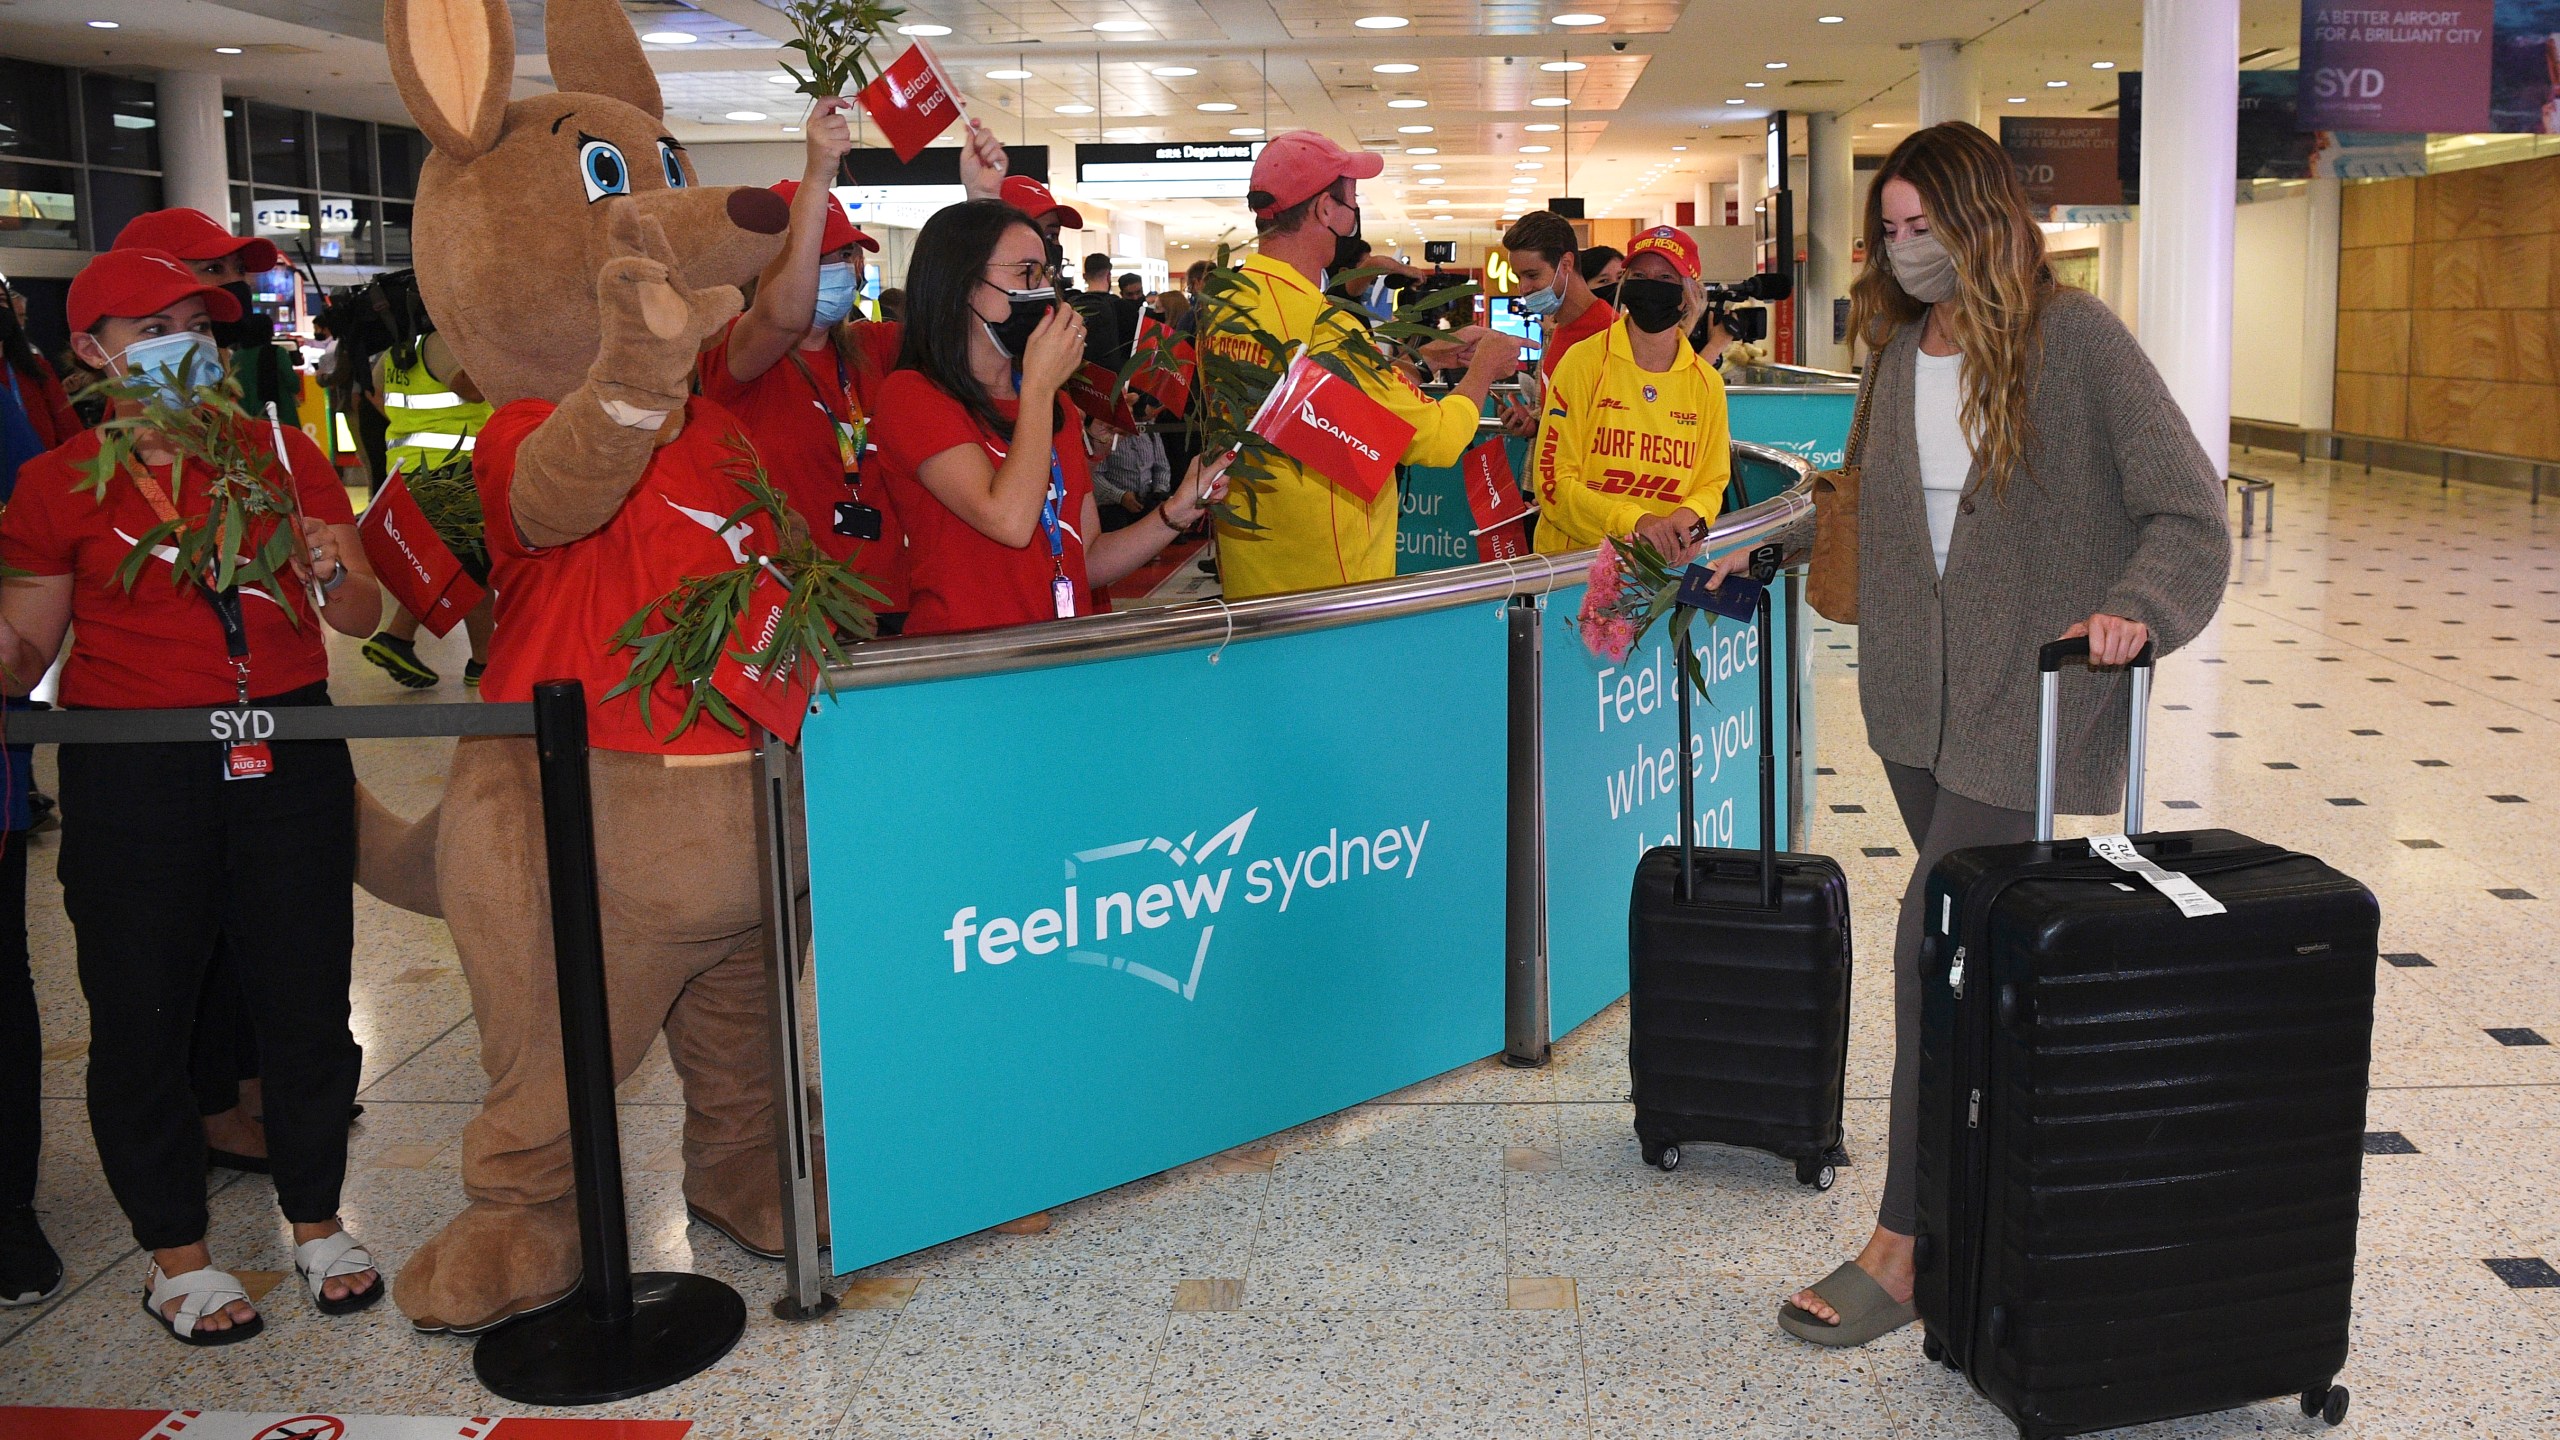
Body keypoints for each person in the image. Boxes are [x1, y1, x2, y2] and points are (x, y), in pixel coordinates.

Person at [1700, 121, 2230, 1350]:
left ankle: (1906, 1242)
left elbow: (2187, 513)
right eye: (1888, 231)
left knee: (1926, 951)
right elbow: (1860, 512)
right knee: (1979, 961)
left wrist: (2135, 614)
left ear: (1982, 217)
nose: (1905, 249)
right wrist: (1732, 546)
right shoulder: (1894, 351)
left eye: (1921, 225)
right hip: (1909, 705)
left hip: (2023, 701)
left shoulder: (2075, 338)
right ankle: (2006, 1179)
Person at [0, 247, 389, 1345]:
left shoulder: (281, 451)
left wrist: (334, 566)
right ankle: (177, 1257)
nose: (188, 345)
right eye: (154, 326)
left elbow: (358, 615)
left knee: (307, 997)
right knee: (142, 1012)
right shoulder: (55, 484)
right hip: (136, 768)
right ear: (90, 352)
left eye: (200, 325)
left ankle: (319, 1224)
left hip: (290, 751)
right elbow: (25, 643)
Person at [870, 200, 1223, 636]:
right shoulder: (914, 396)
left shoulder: (1047, 401)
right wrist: (1039, 387)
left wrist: (1177, 510)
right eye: (1025, 273)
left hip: (1060, 655)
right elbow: (1009, 521)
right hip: (971, 664)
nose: (1040, 292)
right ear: (962, 283)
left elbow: (1086, 556)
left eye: (1045, 274)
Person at [1201, 130, 1519, 598]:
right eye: (1351, 195)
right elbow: (1435, 441)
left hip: (1250, 569)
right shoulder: (1321, 326)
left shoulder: (1228, 303)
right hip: (1330, 584)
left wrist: (1421, 354)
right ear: (1324, 210)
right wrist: (1484, 367)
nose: (1354, 208)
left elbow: (1327, 407)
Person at [694, 99, 914, 626]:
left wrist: (981, 202)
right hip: (793, 607)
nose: (849, 266)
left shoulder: (872, 348)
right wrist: (819, 173)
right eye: (827, 255)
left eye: (850, 254)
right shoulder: (734, 358)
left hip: (888, 599)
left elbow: (961, 327)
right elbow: (781, 318)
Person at [1529, 225, 1728, 562]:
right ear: (1625, 283)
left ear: (1688, 293)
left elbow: (1713, 480)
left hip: (1661, 568)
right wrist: (1634, 523)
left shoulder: (1706, 383)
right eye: (1640, 275)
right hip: (1574, 567)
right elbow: (1553, 483)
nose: (1651, 286)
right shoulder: (1583, 362)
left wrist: (1691, 514)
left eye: (1666, 279)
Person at [358, 323, 496, 687]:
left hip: (413, 470)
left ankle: (481, 661)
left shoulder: (399, 349)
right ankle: (399, 637)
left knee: (465, 564)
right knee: (469, 565)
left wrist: (413, 425)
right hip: (453, 472)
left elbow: (374, 393)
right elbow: (475, 390)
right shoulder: (440, 343)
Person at [112, 210, 299, 431]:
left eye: (240, 269)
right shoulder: (85, 455)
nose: (237, 283)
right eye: (214, 269)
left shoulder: (273, 445)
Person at [1499, 210, 1618, 439]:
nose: (1523, 288)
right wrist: (1534, 425)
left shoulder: (1609, 334)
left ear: (1566, 264)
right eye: (1518, 278)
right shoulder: (1558, 331)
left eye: (1532, 275)